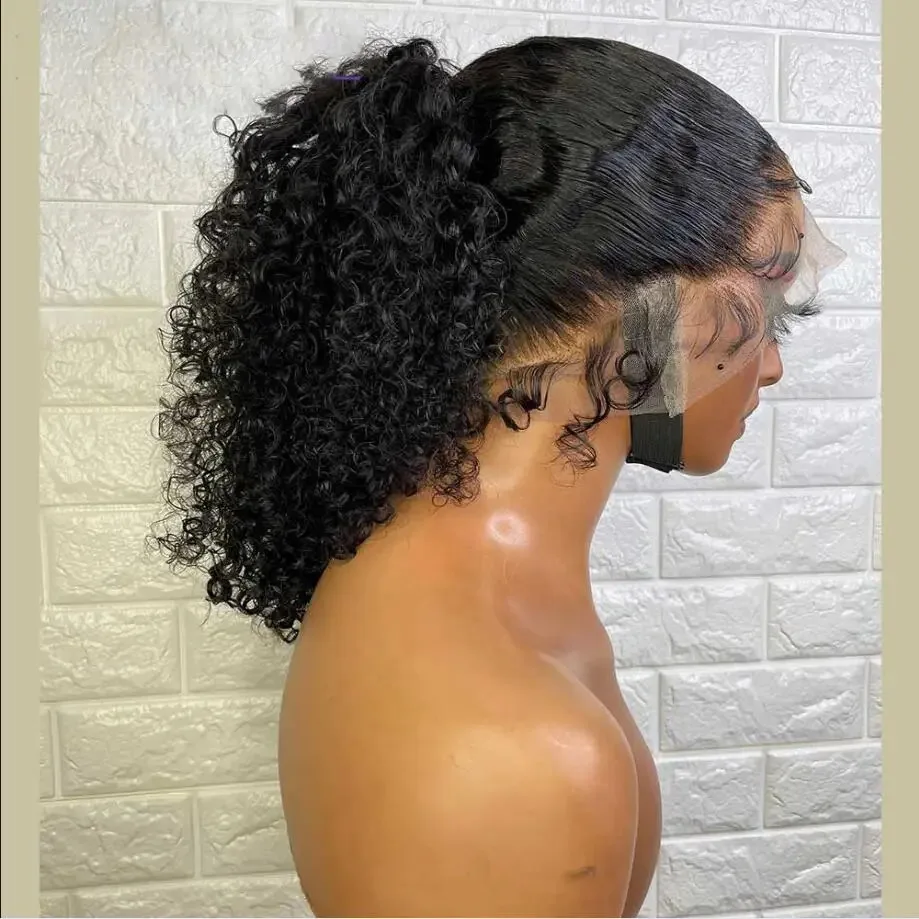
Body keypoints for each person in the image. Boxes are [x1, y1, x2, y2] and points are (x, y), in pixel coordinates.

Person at [148, 34, 845, 918]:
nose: (769, 364)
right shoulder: (515, 745)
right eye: (760, 304)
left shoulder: (451, 577)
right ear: (642, 313)